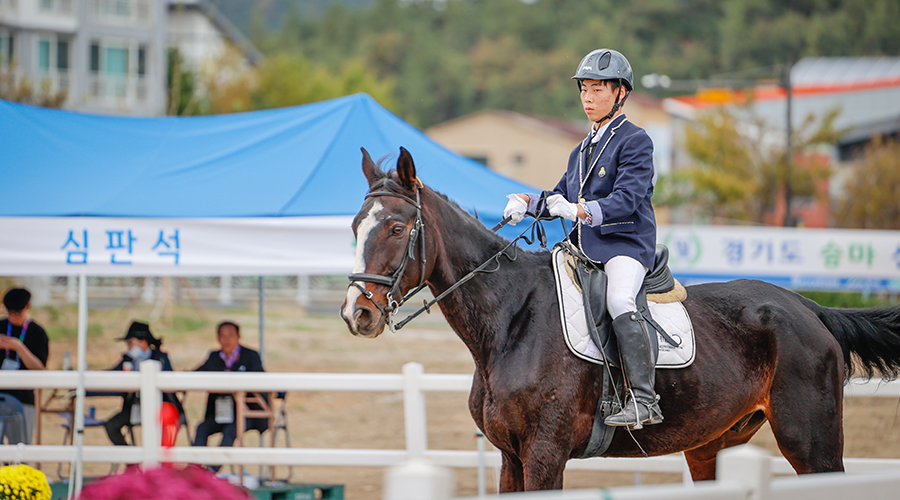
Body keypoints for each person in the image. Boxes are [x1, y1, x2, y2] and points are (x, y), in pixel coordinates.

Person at [503, 48, 662, 429]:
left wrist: (579, 211)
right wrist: (527, 201)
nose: (588, 98)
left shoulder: (636, 141)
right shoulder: (581, 149)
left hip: (626, 245)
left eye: (597, 90)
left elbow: (626, 200)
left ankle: (643, 399)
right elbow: (560, 195)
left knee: (619, 298)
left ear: (620, 93)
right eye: (584, 90)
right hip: (585, 249)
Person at [192, 320, 269, 471]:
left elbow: (260, 381)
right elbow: (196, 374)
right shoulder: (214, 357)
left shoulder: (250, 355)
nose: (226, 340)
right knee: (202, 428)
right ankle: (195, 470)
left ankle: (211, 471)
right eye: (222, 336)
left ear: (238, 337)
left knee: (230, 430)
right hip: (219, 412)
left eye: (230, 335)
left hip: (247, 412)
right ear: (217, 338)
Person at [103, 321, 184, 446]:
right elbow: (111, 375)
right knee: (111, 425)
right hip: (134, 406)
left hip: (161, 407)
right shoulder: (128, 359)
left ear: (143, 342)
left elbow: (170, 383)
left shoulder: (161, 357)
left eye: (130, 342)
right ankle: (132, 463)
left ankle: (161, 463)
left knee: (164, 427)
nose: (128, 346)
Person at [0, 288, 49, 444]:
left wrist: (20, 348)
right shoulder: (1, 327)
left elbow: (39, 368)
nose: (13, 317)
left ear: (27, 307)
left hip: (24, 398)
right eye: (10, 313)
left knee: (20, 450)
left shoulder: (37, 332)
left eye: (17, 313)